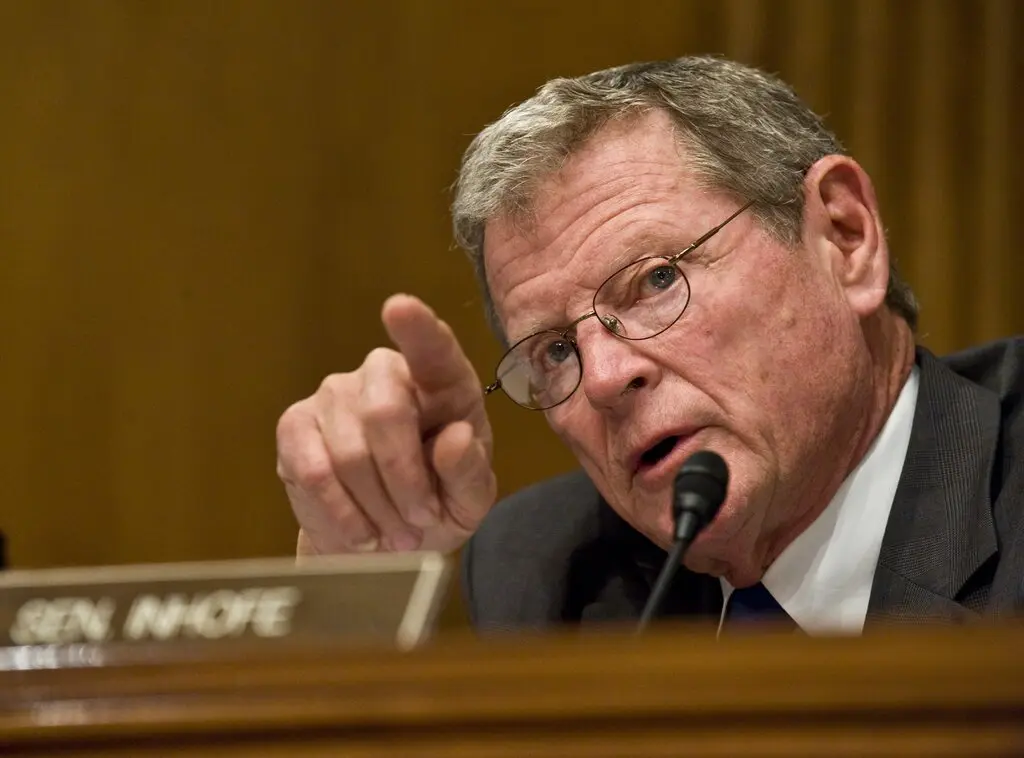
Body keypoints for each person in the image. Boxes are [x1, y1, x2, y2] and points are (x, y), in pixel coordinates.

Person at [275, 56, 1024, 634]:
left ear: (843, 237)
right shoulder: (540, 576)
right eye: (555, 351)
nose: (603, 377)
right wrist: (357, 581)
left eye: (657, 279)